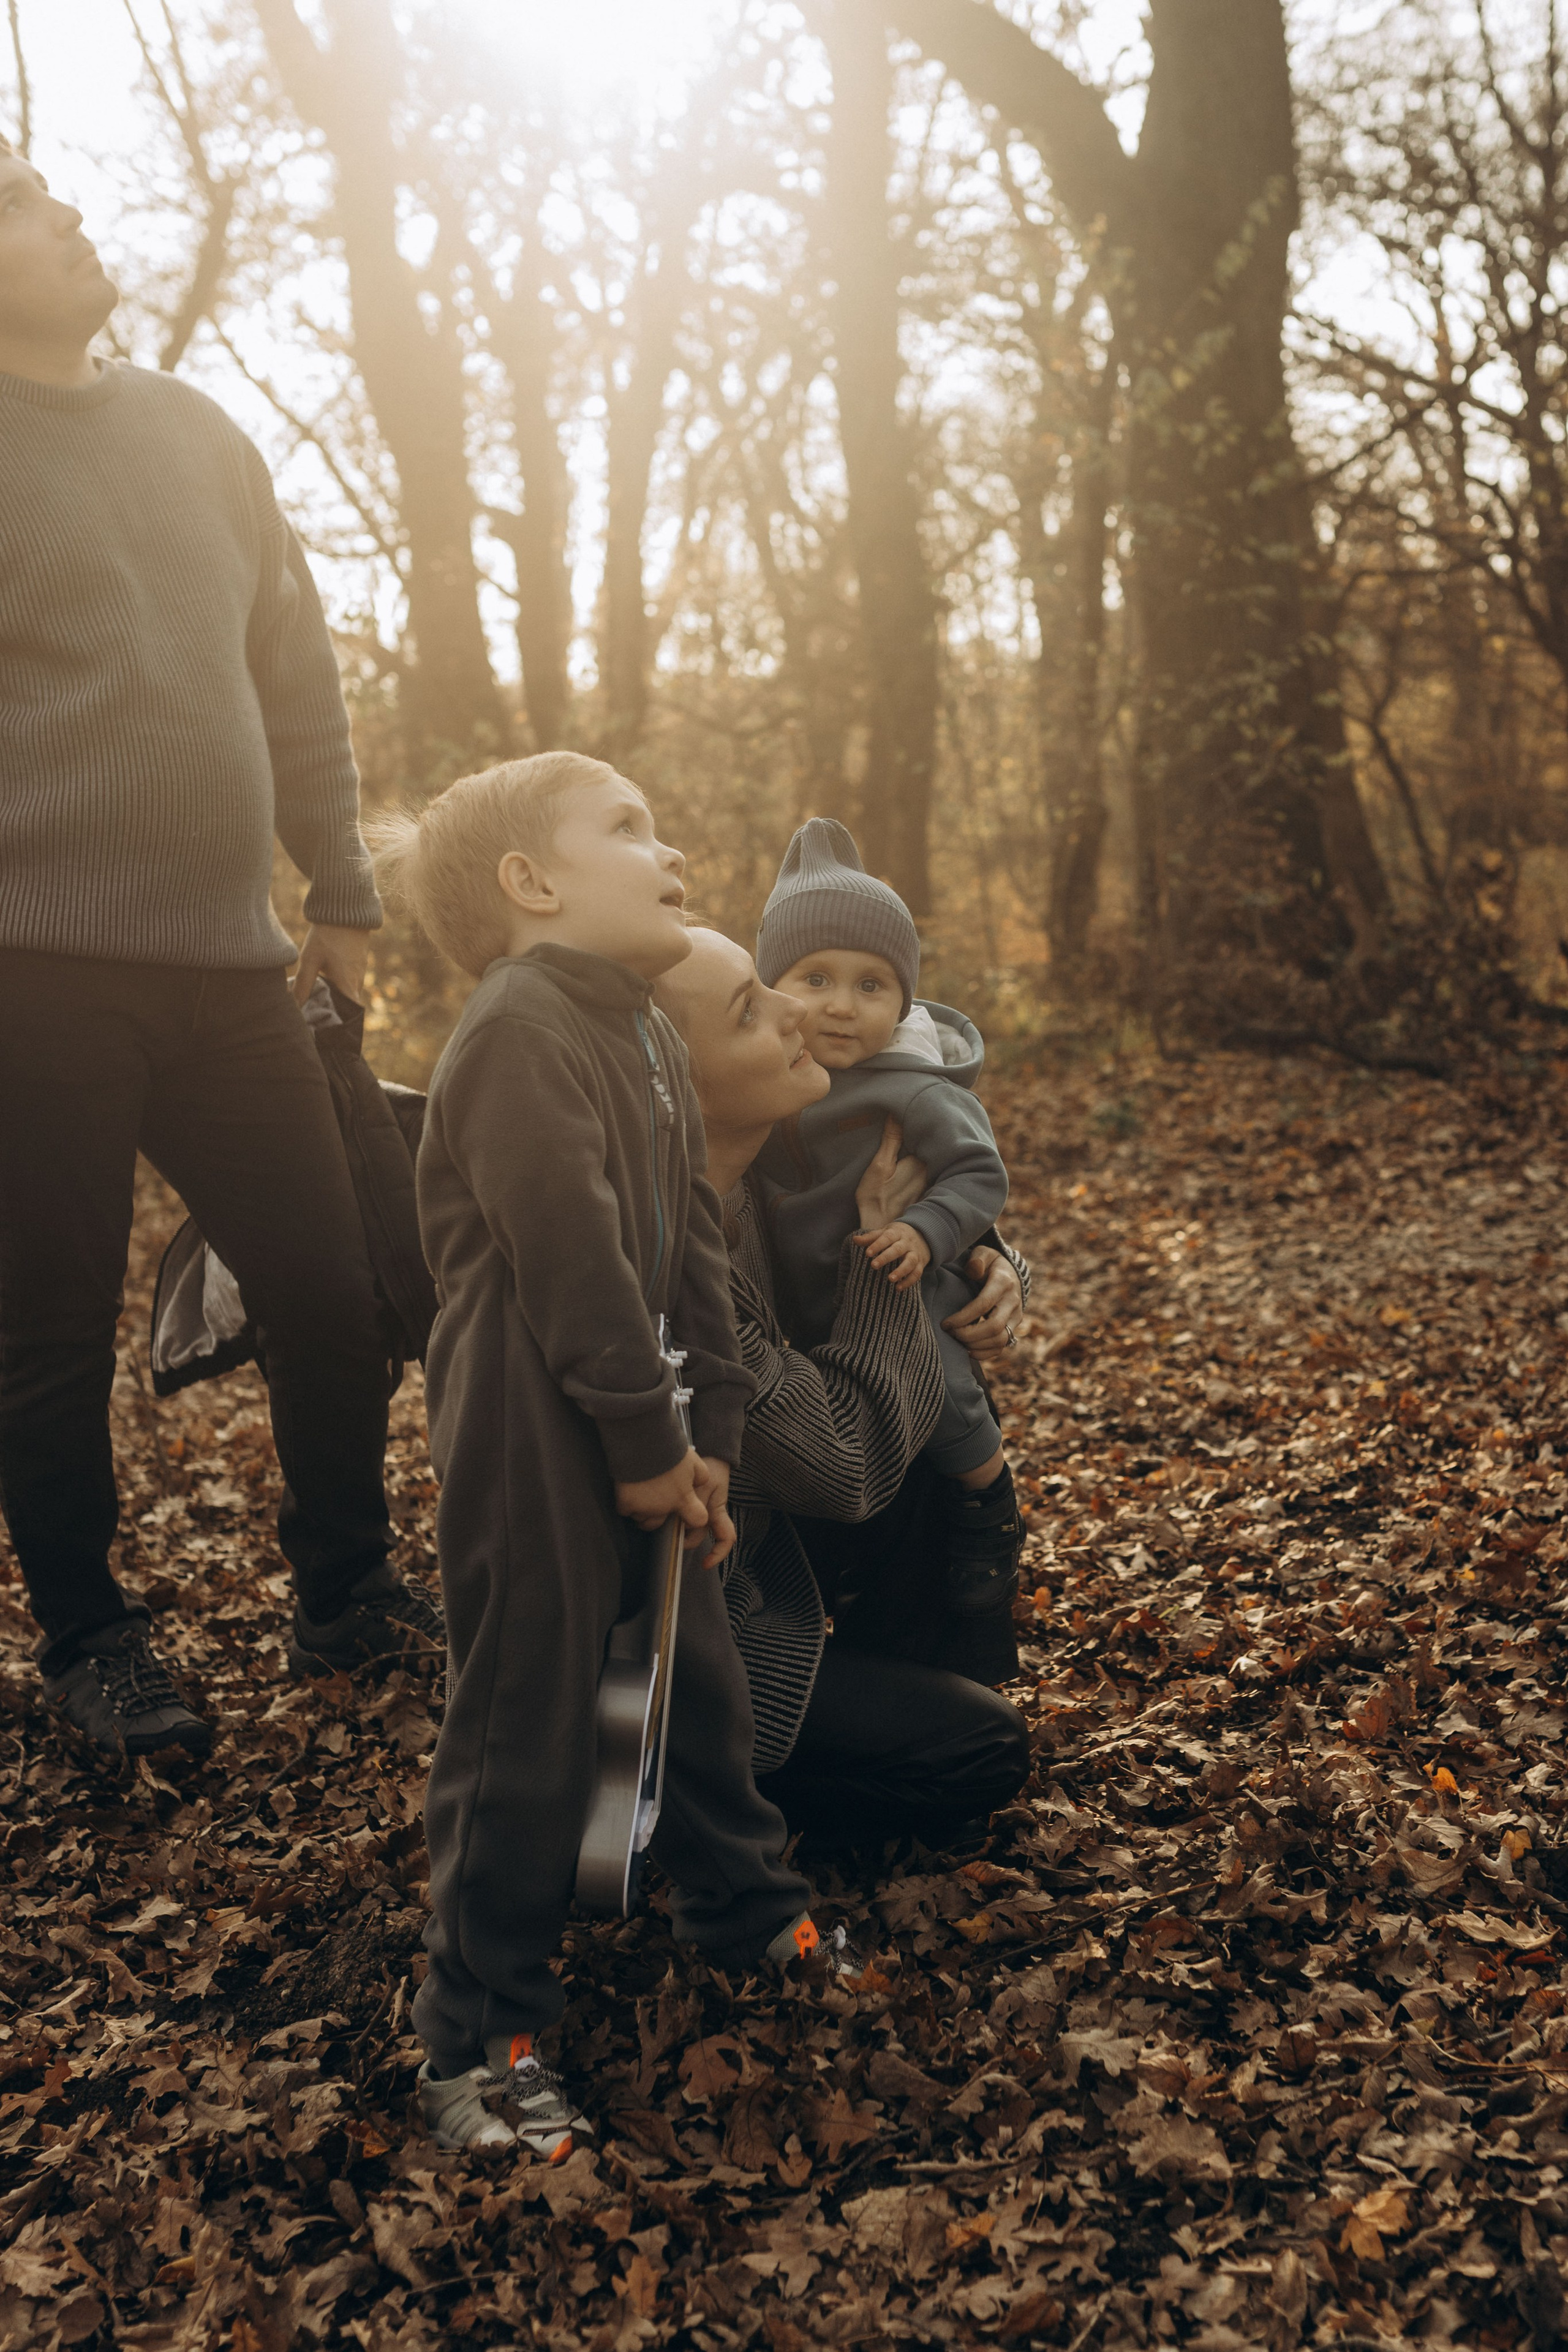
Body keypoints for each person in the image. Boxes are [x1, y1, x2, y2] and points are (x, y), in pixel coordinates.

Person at [0, 138, 436, 1763]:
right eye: (25, 210)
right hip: (30, 972)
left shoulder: (197, 431)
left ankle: (344, 1590)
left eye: (59, 195)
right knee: (48, 1329)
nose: (69, 215)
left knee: (333, 1288)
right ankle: (91, 1646)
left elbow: (296, 667)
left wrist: (343, 890)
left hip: (232, 966)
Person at [376, 754, 833, 2162]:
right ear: (533, 884)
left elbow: (688, 1242)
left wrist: (709, 1444)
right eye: (628, 828)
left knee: (687, 1677)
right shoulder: (517, 1030)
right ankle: (483, 2038)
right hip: (529, 1429)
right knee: (530, 1714)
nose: (668, 843)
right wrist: (641, 1439)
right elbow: (565, 1250)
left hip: (648, 1414)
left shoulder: (637, 1027)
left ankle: (742, 1912)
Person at [655, 929, 1032, 1849]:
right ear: (676, 1082)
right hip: (716, 1641)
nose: (801, 1011)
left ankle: (904, 1673)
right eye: (754, 1007)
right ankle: (702, 1808)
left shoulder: (751, 1184)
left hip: (776, 1549)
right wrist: (884, 1254)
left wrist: (985, 1255)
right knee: (985, 1753)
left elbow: (936, 1195)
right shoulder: (678, 1258)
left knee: (928, 1463)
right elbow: (847, 1467)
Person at [753, 818, 1023, 1631]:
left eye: (872, 986)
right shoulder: (753, 1084)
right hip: (809, 1326)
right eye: (816, 978)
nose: (842, 1006)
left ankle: (991, 1501)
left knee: (942, 1391)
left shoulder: (914, 1092)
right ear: (772, 987)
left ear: (904, 1000)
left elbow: (981, 1173)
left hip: (910, 1288)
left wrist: (937, 1235)